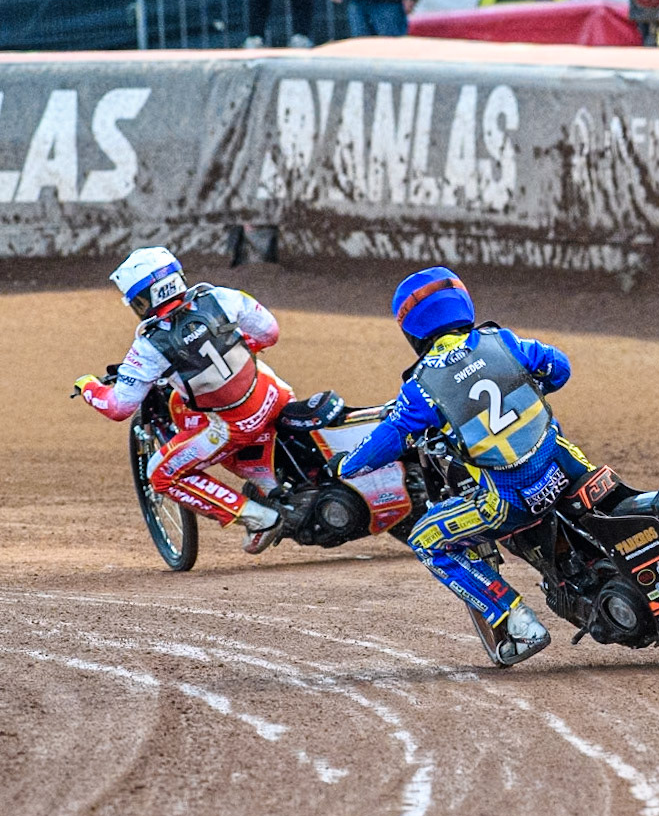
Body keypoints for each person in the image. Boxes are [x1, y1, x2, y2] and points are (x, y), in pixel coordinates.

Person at [330, 267, 595, 666]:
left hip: (512, 499)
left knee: (427, 540)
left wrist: (345, 466)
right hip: (567, 465)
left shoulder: (421, 387)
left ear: (412, 329)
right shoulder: (501, 341)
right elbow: (559, 367)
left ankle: (518, 621)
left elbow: (387, 440)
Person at [72, 247, 292, 553]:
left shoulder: (150, 346)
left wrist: (88, 387)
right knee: (190, 408)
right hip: (274, 392)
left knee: (160, 474)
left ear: (144, 299)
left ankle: (260, 519)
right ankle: (268, 481)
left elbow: (119, 407)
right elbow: (269, 333)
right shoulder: (221, 297)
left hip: (235, 425)